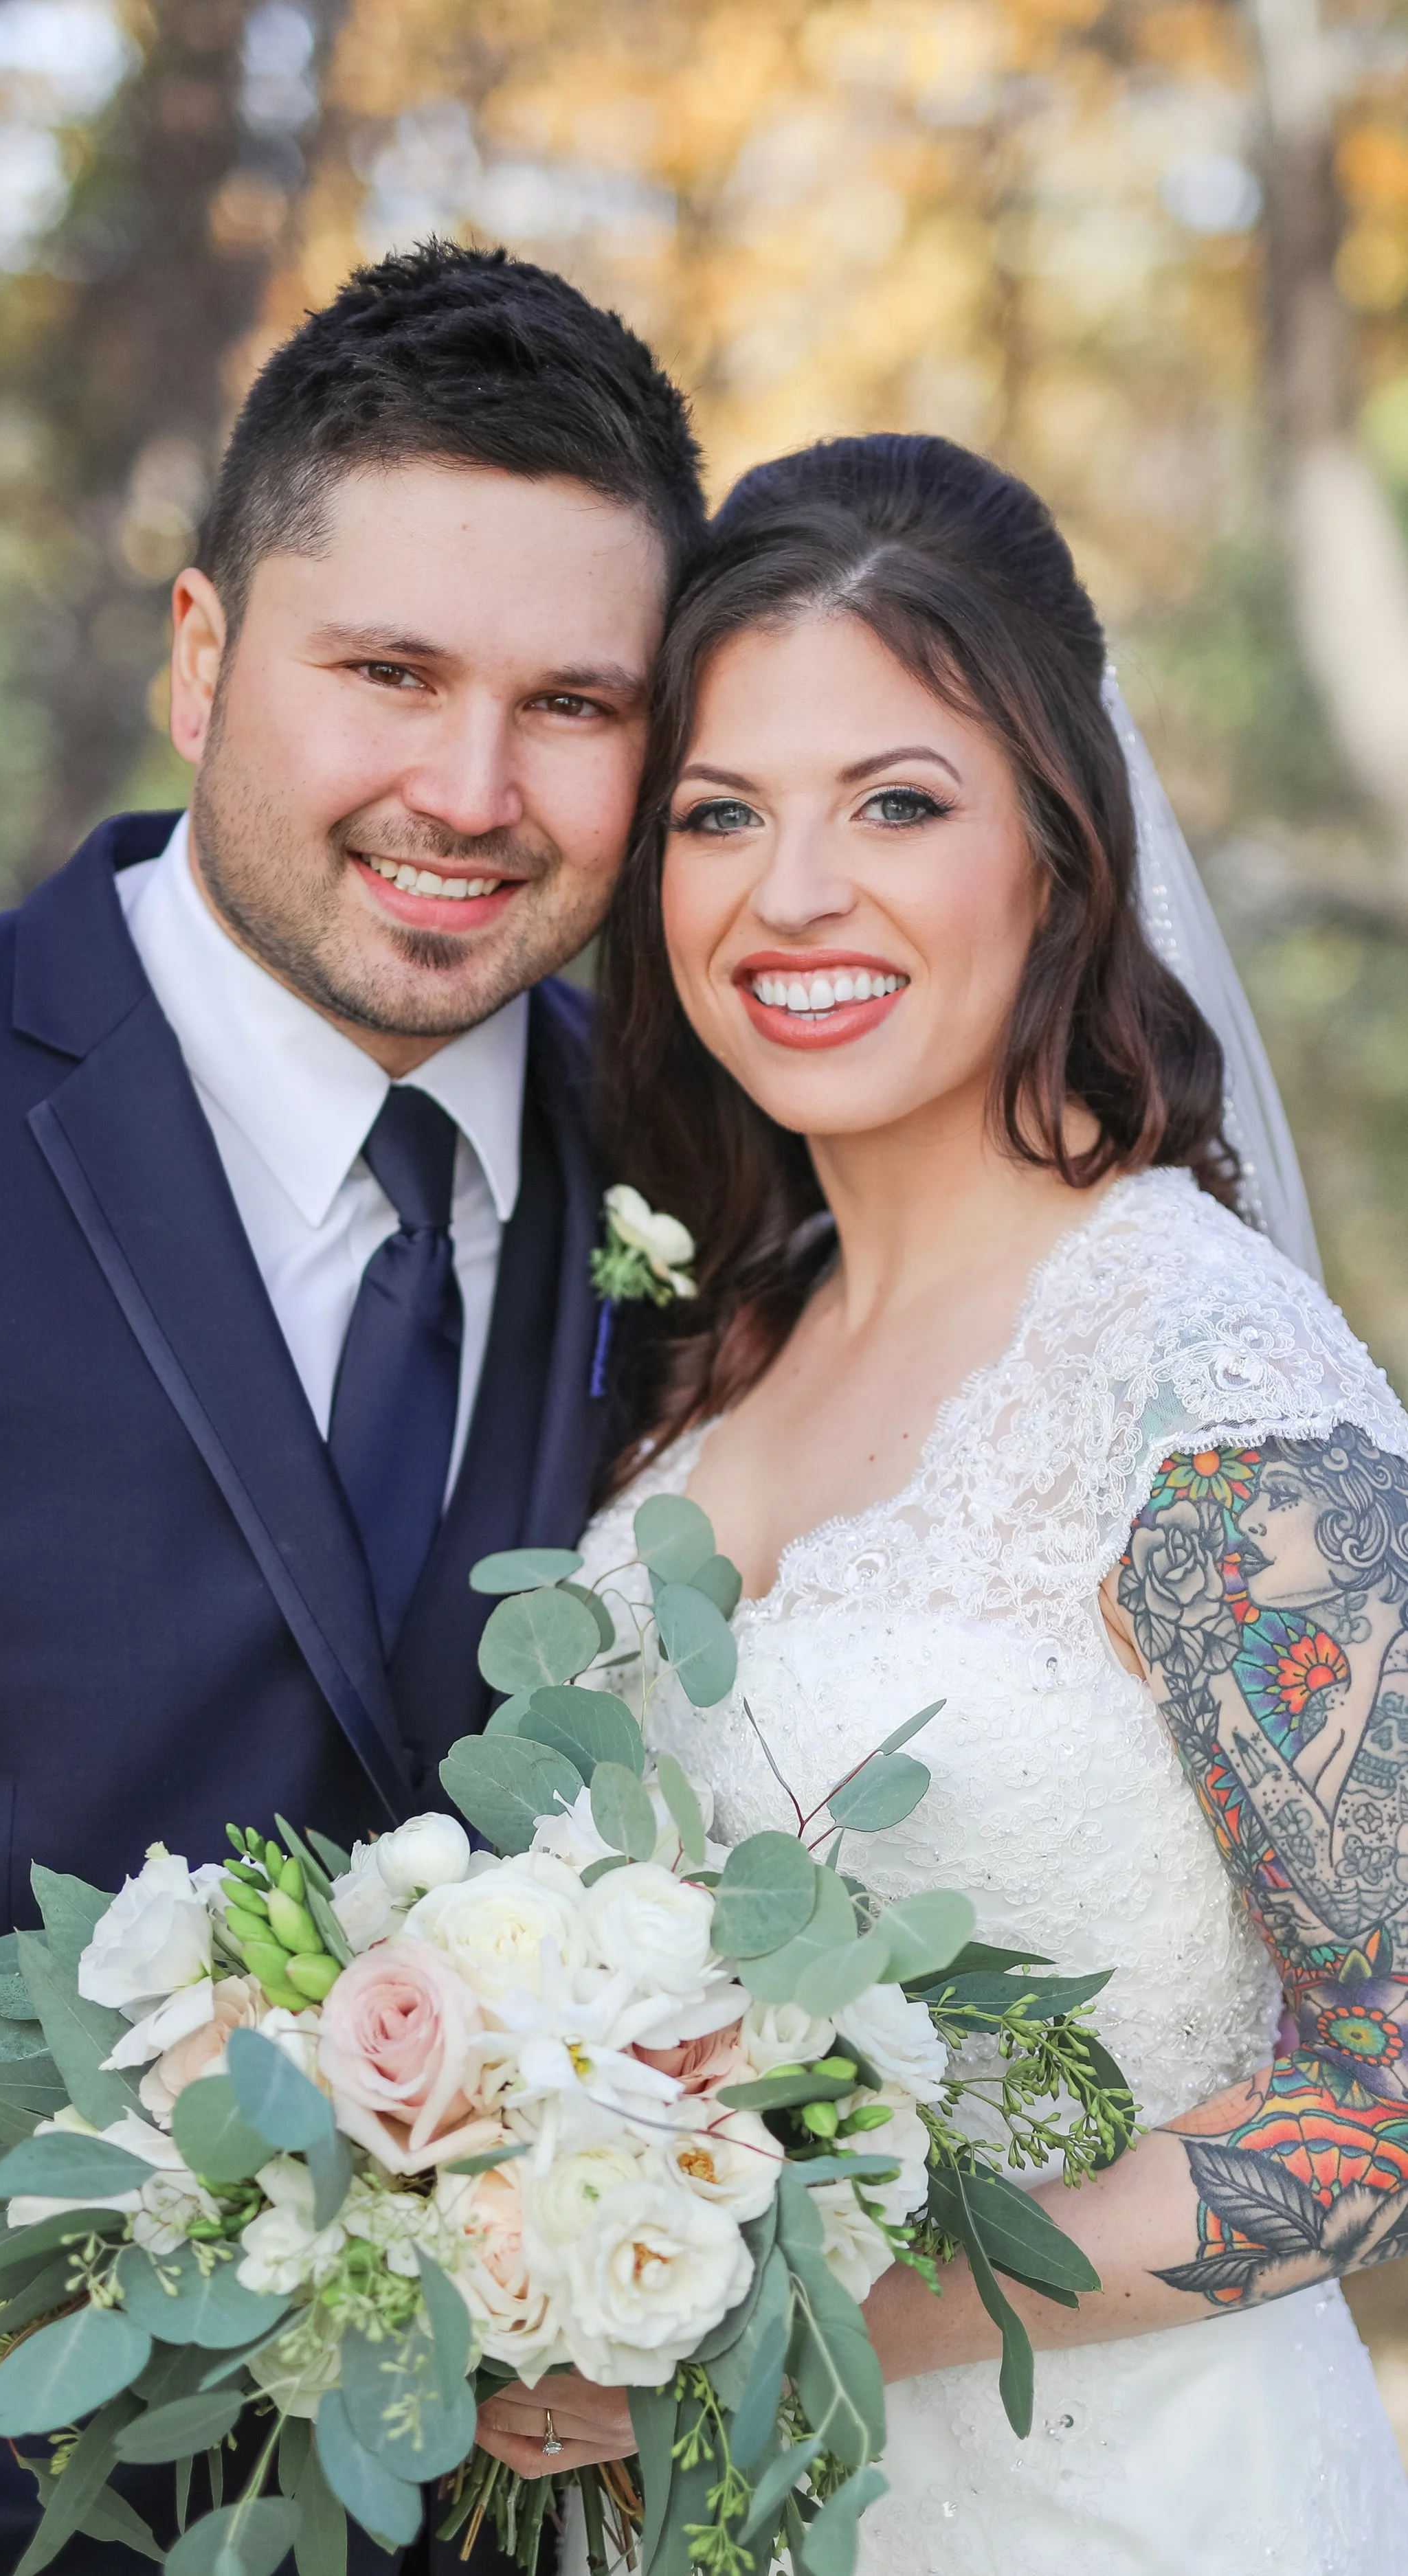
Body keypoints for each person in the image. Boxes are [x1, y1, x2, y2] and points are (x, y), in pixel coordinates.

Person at [0, 240, 702, 2572]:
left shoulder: (713, 1182)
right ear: (201, 654)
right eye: (389, 672)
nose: (471, 786)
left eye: (572, 702)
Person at [474, 436, 1408, 2567]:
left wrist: (764, 2320)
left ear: (1059, 851)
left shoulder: (1202, 1375)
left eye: (894, 801)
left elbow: (1378, 2092)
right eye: (720, 814)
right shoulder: (704, 1351)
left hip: (1120, 2504)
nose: (789, 893)